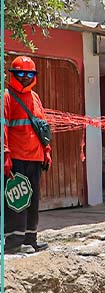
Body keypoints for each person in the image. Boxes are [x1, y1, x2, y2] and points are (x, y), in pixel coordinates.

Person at [3, 56, 52, 254]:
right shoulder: (7, 96)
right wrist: (5, 154)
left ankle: (30, 239)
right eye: (21, 74)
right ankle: (13, 242)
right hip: (16, 158)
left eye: (29, 74)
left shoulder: (35, 97)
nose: (25, 78)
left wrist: (47, 151)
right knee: (16, 200)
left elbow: (43, 127)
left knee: (33, 200)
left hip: (35, 158)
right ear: (13, 75)